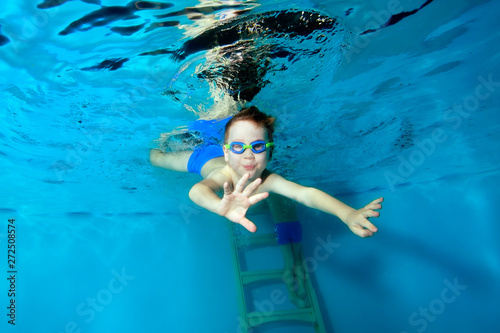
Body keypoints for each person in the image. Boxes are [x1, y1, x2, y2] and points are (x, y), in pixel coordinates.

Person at [150, 106, 383, 306]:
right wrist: (219, 205)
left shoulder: (270, 179)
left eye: (258, 146)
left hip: (222, 150)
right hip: (202, 156)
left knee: (282, 197)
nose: (249, 156)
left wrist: (348, 213)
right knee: (156, 157)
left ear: (270, 151)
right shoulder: (224, 174)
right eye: (239, 147)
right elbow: (197, 191)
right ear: (228, 152)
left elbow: (305, 194)